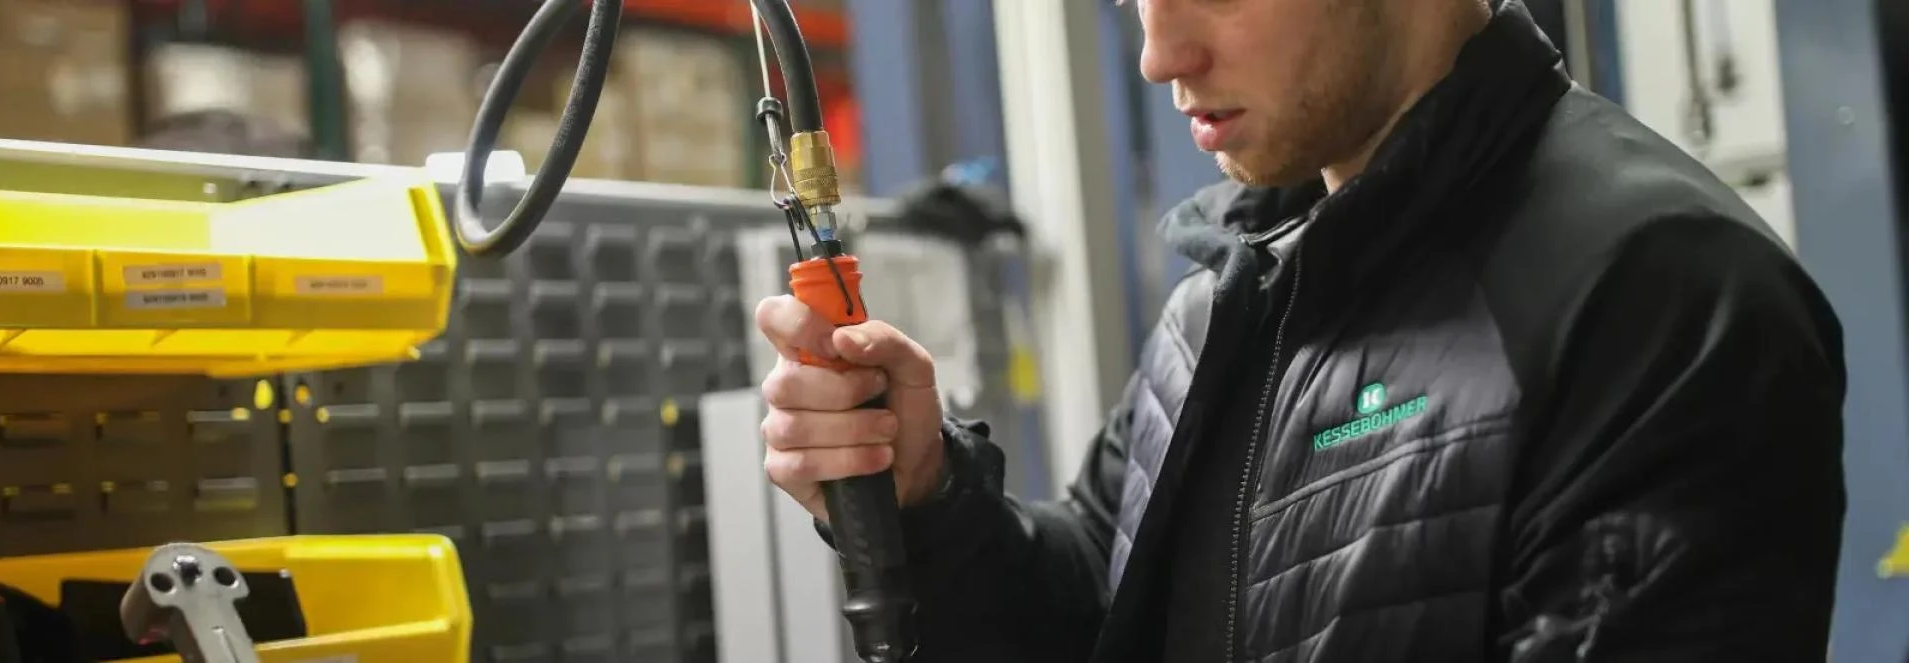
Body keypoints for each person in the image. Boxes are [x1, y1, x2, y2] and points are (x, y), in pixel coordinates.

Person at [752, 0, 1847, 660]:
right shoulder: (1227, 292)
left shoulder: (1655, 296)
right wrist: (929, 500)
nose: (1159, 53)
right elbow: (1099, 610)